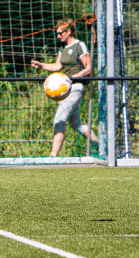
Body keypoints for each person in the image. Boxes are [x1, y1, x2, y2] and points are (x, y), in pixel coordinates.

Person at [31, 18, 98, 157]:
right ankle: (102, 146)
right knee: (76, 125)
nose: (58, 36)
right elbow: (57, 67)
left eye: (60, 33)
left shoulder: (79, 45)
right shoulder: (63, 49)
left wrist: (74, 77)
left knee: (59, 120)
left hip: (75, 88)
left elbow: (89, 68)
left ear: (68, 32)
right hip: (66, 90)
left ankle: (53, 156)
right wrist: (41, 65)